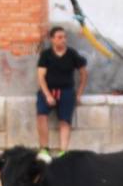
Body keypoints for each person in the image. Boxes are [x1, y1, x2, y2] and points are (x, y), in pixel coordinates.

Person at [35, 26, 87, 154]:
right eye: (59, 37)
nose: (63, 40)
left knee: (65, 121)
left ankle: (63, 152)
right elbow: (41, 76)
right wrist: (47, 95)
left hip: (67, 92)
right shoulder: (46, 54)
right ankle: (44, 150)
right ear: (52, 39)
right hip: (48, 90)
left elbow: (84, 74)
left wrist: (79, 93)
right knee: (41, 116)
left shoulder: (72, 54)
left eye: (64, 37)